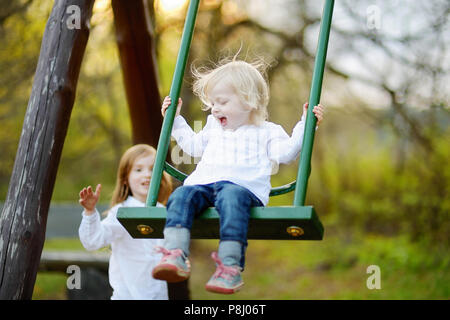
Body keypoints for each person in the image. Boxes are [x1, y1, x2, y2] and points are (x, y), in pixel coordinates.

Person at [151, 57, 325, 294]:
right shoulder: (213, 127)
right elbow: (191, 146)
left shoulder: (267, 132)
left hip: (242, 190)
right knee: (181, 195)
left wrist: (306, 124)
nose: (214, 108)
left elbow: (286, 153)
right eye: (212, 102)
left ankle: (229, 268)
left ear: (249, 101)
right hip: (205, 185)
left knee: (231, 198)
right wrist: (176, 121)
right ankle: (175, 254)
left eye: (222, 101)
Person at [78, 144, 173, 300]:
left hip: (159, 296)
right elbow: (92, 241)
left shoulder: (164, 211)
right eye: (139, 169)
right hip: (127, 296)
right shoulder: (122, 213)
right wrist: (89, 212)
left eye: (152, 169)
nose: (147, 174)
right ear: (125, 179)